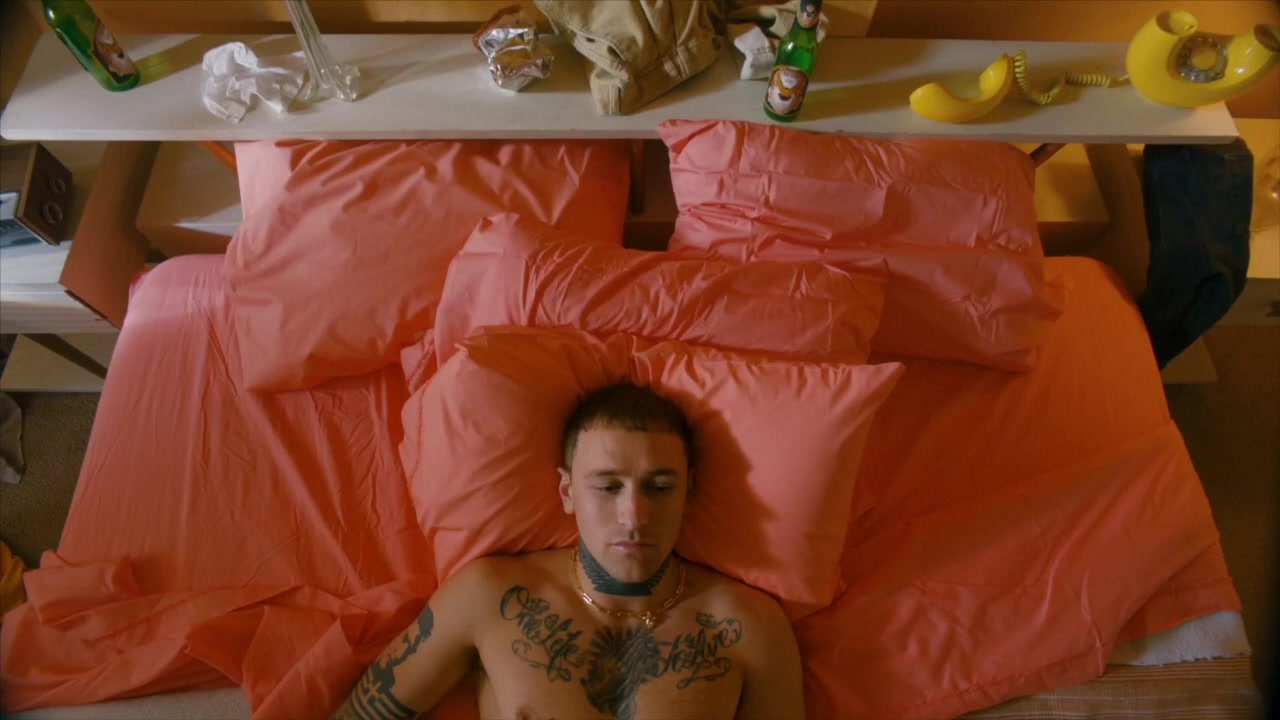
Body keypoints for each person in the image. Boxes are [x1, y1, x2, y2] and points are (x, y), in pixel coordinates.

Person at [331, 381, 805, 720]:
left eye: (660, 487)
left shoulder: (750, 627)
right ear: (567, 492)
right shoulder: (489, 596)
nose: (634, 516)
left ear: (688, 492)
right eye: (608, 487)